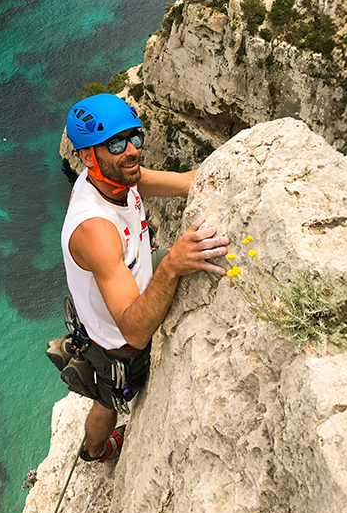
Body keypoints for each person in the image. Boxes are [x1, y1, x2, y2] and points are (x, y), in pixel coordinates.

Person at [51, 93, 230, 462]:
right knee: (111, 402)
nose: (131, 151)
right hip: (118, 341)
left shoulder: (118, 178)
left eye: (135, 137)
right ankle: (94, 449)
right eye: (115, 143)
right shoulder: (95, 230)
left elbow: (185, 182)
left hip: (135, 281)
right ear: (87, 156)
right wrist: (171, 265)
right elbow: (134, 331)